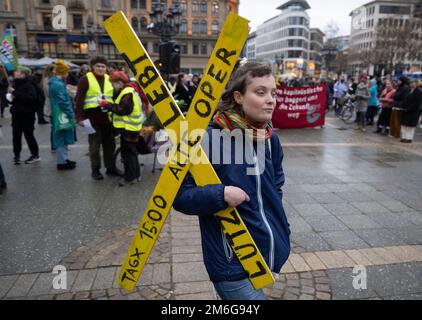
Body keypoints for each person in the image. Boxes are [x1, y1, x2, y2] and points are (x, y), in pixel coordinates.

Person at [173, 62, 291, 300]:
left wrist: (280, 230)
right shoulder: (207, 139)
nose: (271, 100)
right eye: (260, 92)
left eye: (273, 93)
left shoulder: (270, 138)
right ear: (238, 96)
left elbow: (276, 183)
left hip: (268, 251)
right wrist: (220, 194)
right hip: (231, 261)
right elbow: (179, 196)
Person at [75, 56, 121, 180]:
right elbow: (79, 100)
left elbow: (114, 97)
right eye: (98, 66)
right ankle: (95, 170)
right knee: (94, 147)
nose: (100, 69)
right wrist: (79, 117)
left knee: (110, 146)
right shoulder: (85, 79)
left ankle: (110, 168)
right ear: (93, 67)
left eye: (103, 66)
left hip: (108, 118)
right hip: (92, 119)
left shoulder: (109, 79)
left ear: (106, 67)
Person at [102, 71, 144, 186]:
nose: (112, 85)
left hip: (129, 129)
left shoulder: (127, 93)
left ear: (120, 83)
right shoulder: (127, 91)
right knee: (131, 153)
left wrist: (107, 105)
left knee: (128, 154)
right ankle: (136, 176)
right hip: (131, 128)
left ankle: (129, 178)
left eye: (113, 83)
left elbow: (122, 110)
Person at [49, 60, 77, 170]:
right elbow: (63, 101)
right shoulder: (58, 84)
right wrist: (70, 112)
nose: (68, 74)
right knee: (61, 136)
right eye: (66, 72)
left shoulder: (54, 82)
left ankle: (64, 159)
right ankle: (61, 162)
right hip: (61, 113)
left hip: (58, 111)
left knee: (62, 136)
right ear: (62, 72)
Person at [10, 66, 41, 165]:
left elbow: (30, 99)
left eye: (18, 71)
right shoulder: (16, 84)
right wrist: (10, 97)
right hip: (16, 115)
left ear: (23, 74)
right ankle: (17, 156)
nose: (15, 73)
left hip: (27, 115)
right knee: (16, 136)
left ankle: (35, 155)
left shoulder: (29, 85)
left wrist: (15, 93)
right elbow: (16, 100)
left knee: (29, 135)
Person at [400, 79, 422, 143]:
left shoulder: (419, 92)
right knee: (404, 125)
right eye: (411, 83)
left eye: (413, 83)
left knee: (410, 126)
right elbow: (404, 99)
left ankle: (409, 138)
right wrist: (403, 106)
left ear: (416, 83)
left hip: (413, 111)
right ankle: (403, 137)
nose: (411, 84)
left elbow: (417, 103)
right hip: (405, 110)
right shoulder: (408, 90)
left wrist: (409, 108)